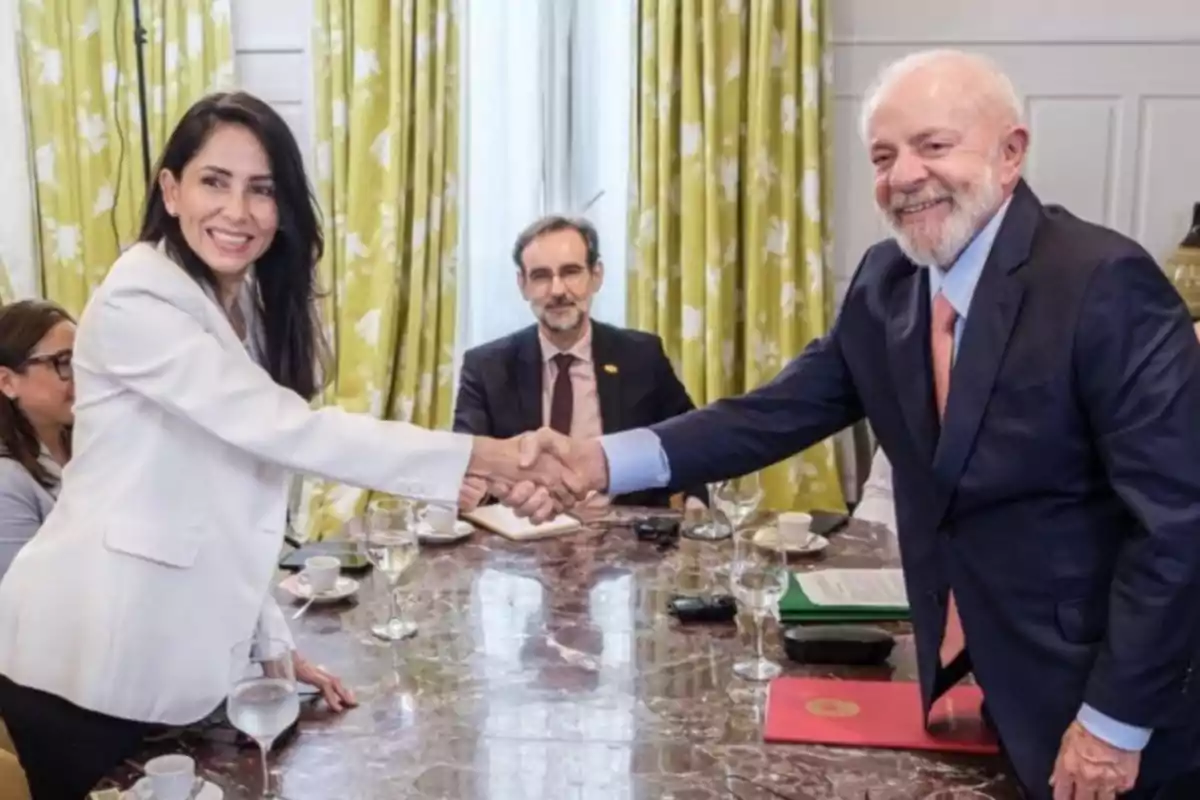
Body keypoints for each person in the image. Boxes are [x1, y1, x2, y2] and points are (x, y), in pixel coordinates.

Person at [511, 50, 1200, 799]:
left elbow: (1176, 525)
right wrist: (595, 462)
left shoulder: (1103, 283)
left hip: (1112, 705)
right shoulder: (886, 282)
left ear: (1011, 153)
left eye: (934, 146)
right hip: (983, 688)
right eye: (883, 155)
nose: (904, 175)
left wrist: (1112, 724)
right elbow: (773, 414)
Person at [0, 91, 571, 799]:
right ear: (170, 189)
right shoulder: (138, 300)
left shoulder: (237, 306)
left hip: (161, 664)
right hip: (85, 665)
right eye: (215, 181)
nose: (238, 212)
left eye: (261, 190)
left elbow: (229, 508)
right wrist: (484, 455)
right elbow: (285, 428)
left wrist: (269, 648)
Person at [453, 214, 705, 509]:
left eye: (571, 272)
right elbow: (467, 461)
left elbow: (691, 442)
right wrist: (471, 490)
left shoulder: (642, 356)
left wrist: (697, 500)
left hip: (625, 536)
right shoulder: (486, 366)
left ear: (595, 276)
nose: (558, 290)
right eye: (541, 276)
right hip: (522, 536)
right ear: (523, 284)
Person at [0, 300, 75, 577]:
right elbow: (16, 596)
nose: (80, 376)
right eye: (63, 362)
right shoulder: (7, 479)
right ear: (7, 382)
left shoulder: (87, 445)